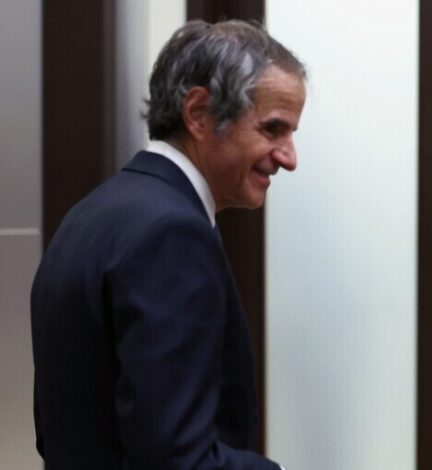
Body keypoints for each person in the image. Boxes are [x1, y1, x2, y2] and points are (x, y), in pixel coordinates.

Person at [31, 19, 305, 469]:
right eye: (273, 129)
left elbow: (59, 429)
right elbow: (176, 459)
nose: (289, 157)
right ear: (199, 113)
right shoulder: (172, 235)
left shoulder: (88, 215)